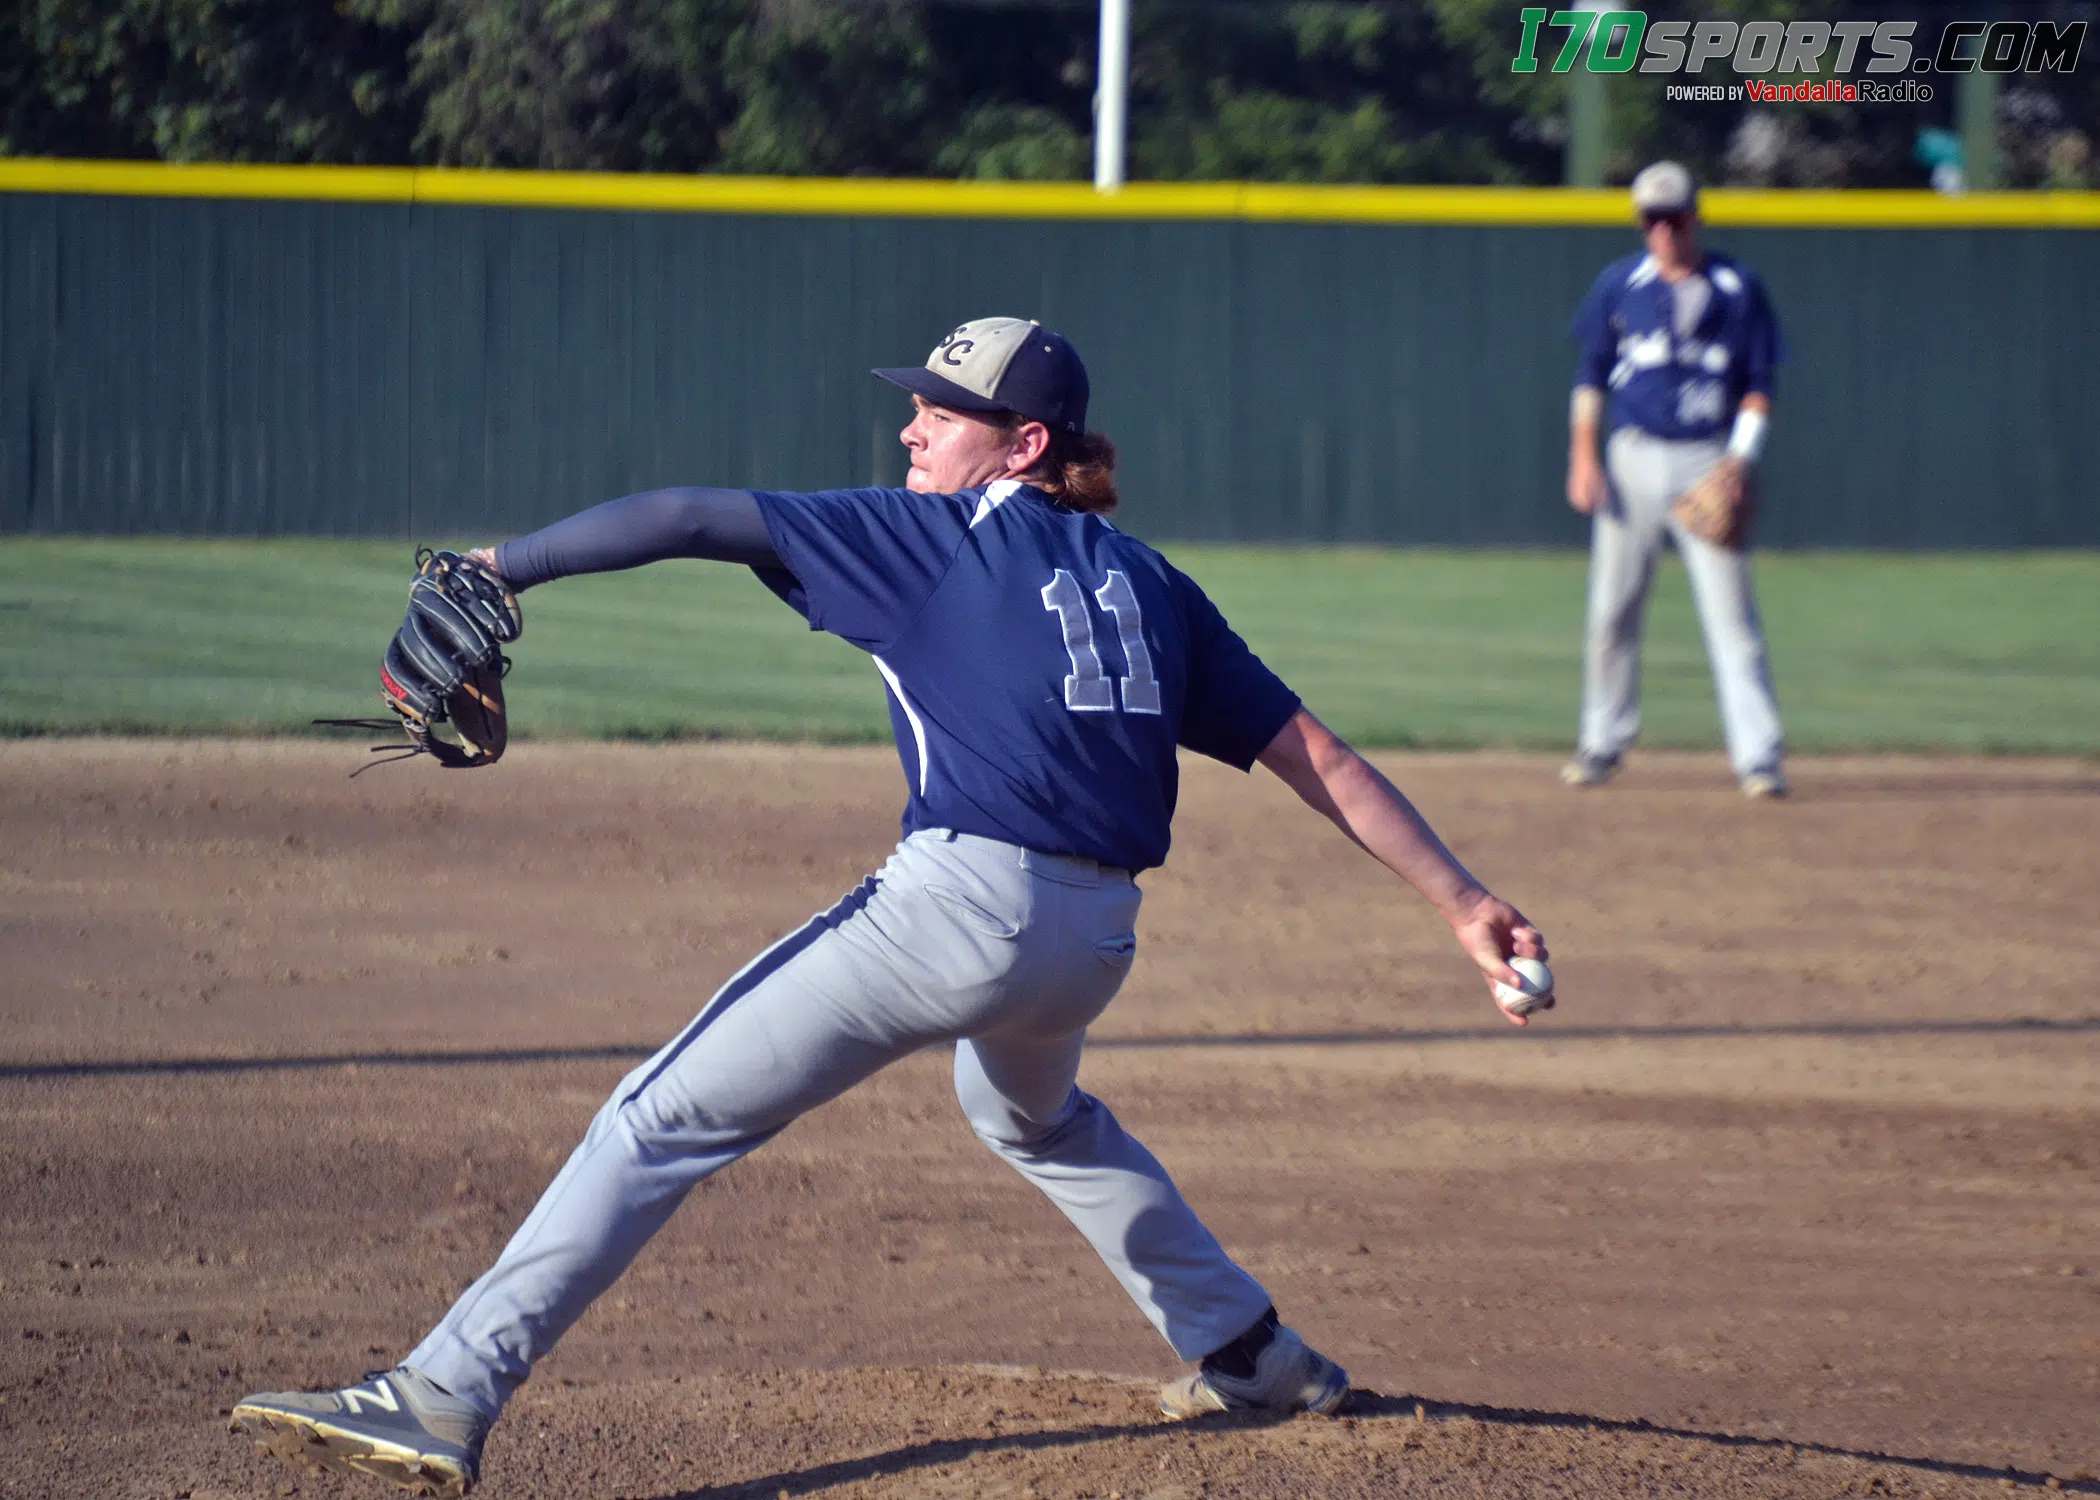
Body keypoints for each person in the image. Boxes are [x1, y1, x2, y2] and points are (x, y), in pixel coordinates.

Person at [230, 317, 1551, 1497]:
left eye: (945, 411)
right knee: (1032, 1113)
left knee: (658, 1116)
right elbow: (1318, 755)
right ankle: (1252, 1355)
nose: (913, 428)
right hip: (1092, 943)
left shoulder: (930, 538)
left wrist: (500, 564)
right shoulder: (1150, 582)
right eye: (916, 404)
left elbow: (690, 514)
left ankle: (441, 1391)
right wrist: (1463, 902)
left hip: (959, 915)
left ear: (1023, 444)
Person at [1561, 161, 1789, 799]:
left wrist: (1740, 460)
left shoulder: (1737, 288)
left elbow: (1760, 384)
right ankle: (1601, 742)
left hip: (1707, 461)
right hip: (1631, 459)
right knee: (1611, 613)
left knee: (1732, 619)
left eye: (1674, 217)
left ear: (1695, 217)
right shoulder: (1620, 284)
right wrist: (1583, 457)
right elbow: (1591, 375)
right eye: (1651, 219)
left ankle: (1759, 758)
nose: (1663, 230)